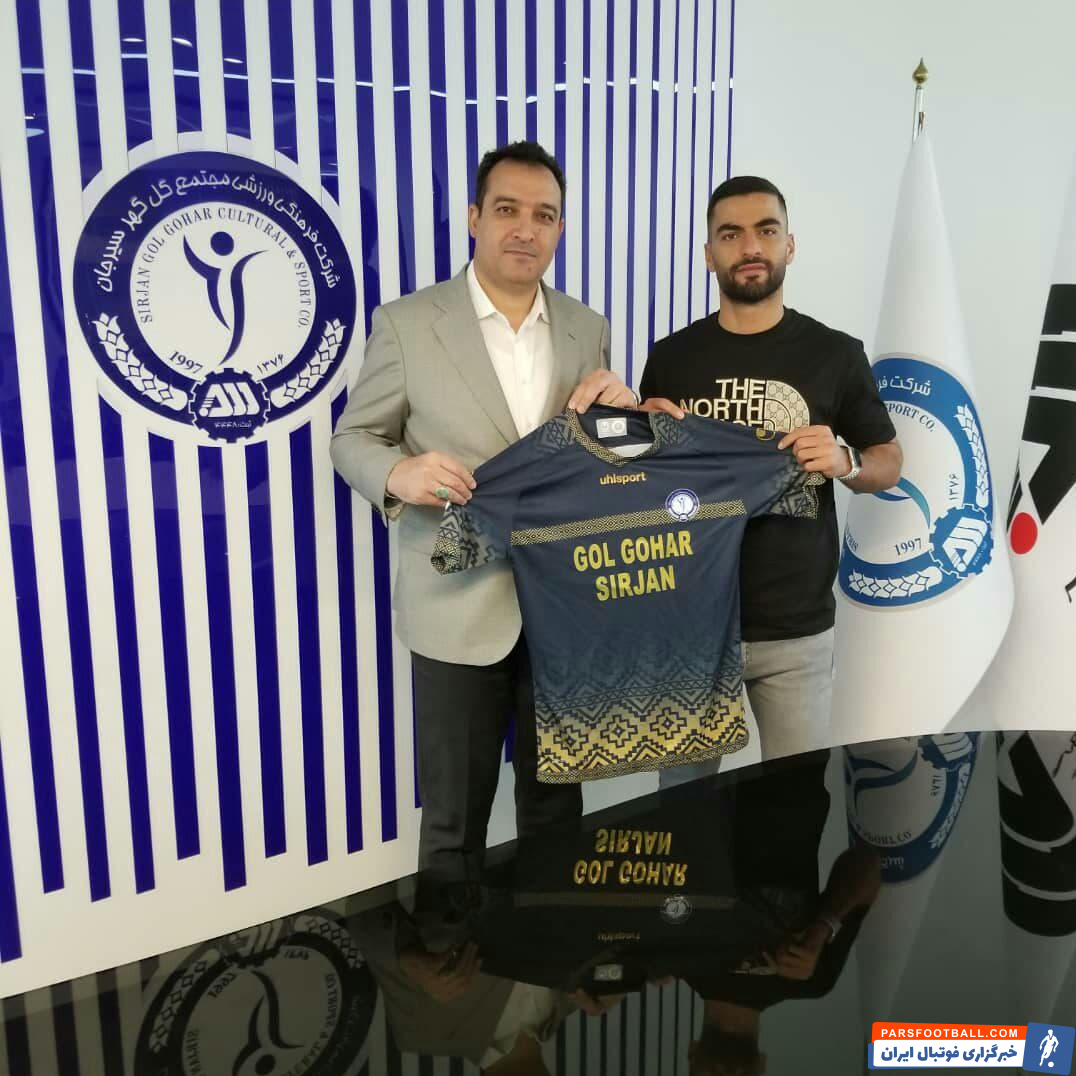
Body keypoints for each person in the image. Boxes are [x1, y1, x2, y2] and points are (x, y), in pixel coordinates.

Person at [330, 141, 635, 877]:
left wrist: (624, 414)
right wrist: (397, 472)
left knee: (557, 810)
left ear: (560, 228)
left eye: (544, 215)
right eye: (507, 210)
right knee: (454, 821)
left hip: (565, 610)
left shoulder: (587, 328)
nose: (525, 229)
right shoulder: (407, 323)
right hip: (455, 610)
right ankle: (446, 948)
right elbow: (351, 438)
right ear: (475, 217)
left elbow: (601, 459)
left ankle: (548, 946)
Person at [639, 176, 902, 766]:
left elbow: (888, 460)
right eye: (730, 234)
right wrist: (643, 443)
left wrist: (846, 460)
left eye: (766, 230)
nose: (751, 246)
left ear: (790, 245)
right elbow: (647, 489)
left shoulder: (836, 354)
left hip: (796, 628)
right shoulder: (670, 357)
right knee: (686, 805)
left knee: (797, 798)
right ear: (709, 254)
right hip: (689, 621)